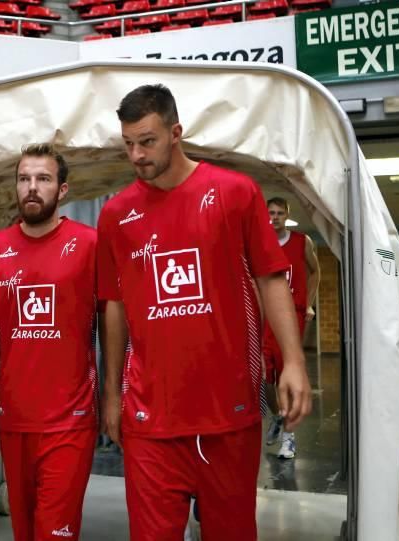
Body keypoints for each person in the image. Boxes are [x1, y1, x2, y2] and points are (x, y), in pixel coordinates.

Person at [96, 84, 313, 541]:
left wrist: (293, 361)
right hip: (149, 417)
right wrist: (113, 392)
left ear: (176, 133)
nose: (136, 154)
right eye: (128, 143)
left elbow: (271, 278)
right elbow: (113, 306)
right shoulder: (116, 215)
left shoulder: (235, 193)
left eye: (147, 141)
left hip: (227, 415)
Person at [0, 144, 98, 541]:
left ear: (63, 189)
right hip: (15, 417)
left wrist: (113, 397)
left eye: (43, 179)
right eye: (24, 179)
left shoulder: (89, 245)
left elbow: (113, 320)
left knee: (54, 532)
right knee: (25, 532)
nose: (32, 188)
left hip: (71, 420)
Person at [263, 197, 321, 459]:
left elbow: (315, 271)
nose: (274, 218)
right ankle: (277, 416)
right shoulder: (258, 242)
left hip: (293, 315)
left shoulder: (301, 242)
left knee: (288, 376)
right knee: (264, 381)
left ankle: (289, 437)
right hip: (266, 318)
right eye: (271, 213)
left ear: (287, 215)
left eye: (279, 213)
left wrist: (308, 304)